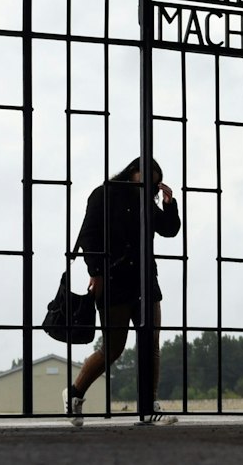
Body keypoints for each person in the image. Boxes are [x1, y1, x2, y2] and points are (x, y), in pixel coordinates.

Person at [65, 156, 181, 427]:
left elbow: (170, 230)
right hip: (114, 280)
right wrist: (96, 271)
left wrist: (169, 204)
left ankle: (149, 404)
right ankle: (74, 394)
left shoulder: (147, 205)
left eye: (153, 185)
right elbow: (88, 236)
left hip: (145, 281)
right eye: (146, 180)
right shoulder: (104, 195)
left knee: (151, 342)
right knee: (114, 348)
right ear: (132, 172)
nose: (148, 188)